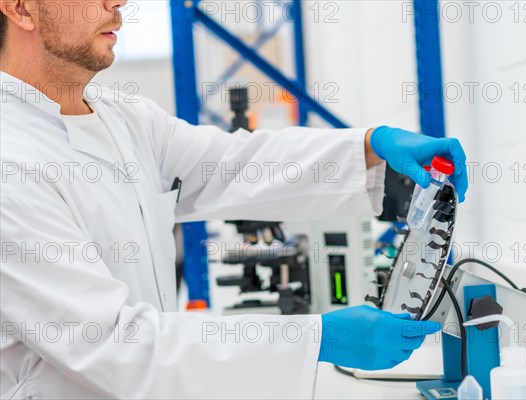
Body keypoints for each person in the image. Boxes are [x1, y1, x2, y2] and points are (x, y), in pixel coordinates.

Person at [0, 0, 468, 398]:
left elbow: (235, 164)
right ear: (20, 7)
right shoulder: (11, 162)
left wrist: (371, 146)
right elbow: (114, 343)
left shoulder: (127, 121)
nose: (119, 2)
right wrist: (317, 338)